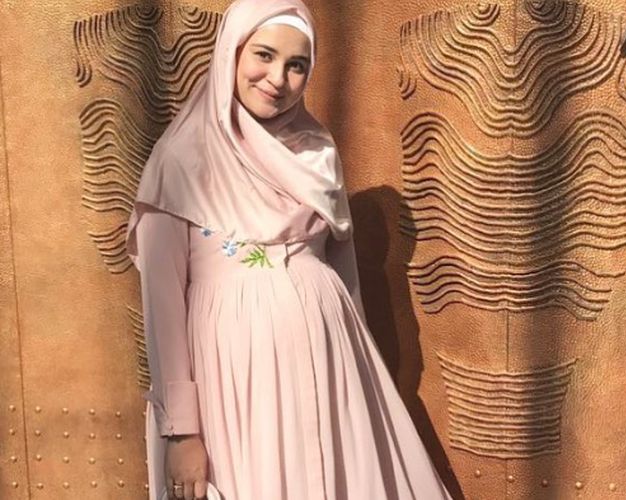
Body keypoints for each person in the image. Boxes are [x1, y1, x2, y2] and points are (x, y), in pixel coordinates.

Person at [124, 0, 453, 499]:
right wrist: (182, 429)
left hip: (332, 364)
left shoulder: (316, 150)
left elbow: (342, 268)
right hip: (236, 382)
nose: (277, 78)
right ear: (232, 52)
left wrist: (354, 365)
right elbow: (162, 306)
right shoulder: (181, 160)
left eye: (296, 65)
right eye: (264, 55)